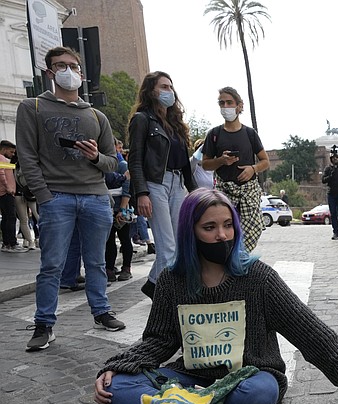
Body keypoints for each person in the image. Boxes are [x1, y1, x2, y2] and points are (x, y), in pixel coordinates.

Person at [94, 188, 338, 404]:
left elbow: (307, 329)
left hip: (249, 379)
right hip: (194, 379)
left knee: (260, 395)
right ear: (190, 233)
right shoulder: (171, 281)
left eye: (228, 225)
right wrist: (119, 365)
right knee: (117, 388)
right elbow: (159, 340)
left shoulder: (258, 277)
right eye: (210, 227)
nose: (222, 235)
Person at [16, 46, 126, 350]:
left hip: (95, 197)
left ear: (81, 72)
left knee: (97, 262)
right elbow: (26, 156)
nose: (68, 71)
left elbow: (113, 162)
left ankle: (101, 311)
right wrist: (45, 196)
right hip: (57, 198)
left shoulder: (95, 115)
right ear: (49, 72)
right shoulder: (33, 107)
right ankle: (44, 324)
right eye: (60, 65)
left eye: (73, 66)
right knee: (51, 265)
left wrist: (95, 158)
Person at [128, 71, 197, 299]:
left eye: (171, 87)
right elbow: (135, 158)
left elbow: (185, 164)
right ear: (151, 90)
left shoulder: (175, 124)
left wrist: (197, 193)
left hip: (177, 183)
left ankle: (153, 284)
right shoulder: (142, 119)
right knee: (167, 246)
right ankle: (172, 296)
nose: (169, 91)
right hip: (156, 183)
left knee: (180, 243)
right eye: (164, 87)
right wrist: (142, 192)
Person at [202, 86, 270, 252]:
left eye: (229, 102)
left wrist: (253, 169)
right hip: (224, 190)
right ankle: (228, 260)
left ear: (239, 106)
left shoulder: (250, 134)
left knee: (250, 231)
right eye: (222, 103)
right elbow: (205, 164)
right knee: (225, 231)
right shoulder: (214, 134)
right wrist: (221, 161)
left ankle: (242, 260)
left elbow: (265, 161)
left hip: (248, 191)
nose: (225, 107)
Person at [0, 140, 24, 253]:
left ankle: (6, 243)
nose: (13, 154)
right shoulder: (2, 158)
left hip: (3, 192)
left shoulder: (4, 159)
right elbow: (2, 174)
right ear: (4, 149)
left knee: (5, 218)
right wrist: (8, 187)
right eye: (11, 152)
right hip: (6, 192)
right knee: (11, 217)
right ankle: (12, 243)